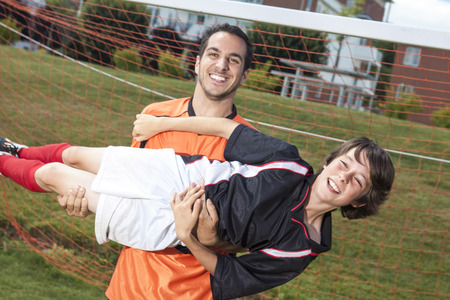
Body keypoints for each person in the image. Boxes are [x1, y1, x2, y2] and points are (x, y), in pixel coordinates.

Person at [0, 113, 395, 298]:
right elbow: (228, 130)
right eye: (344, 164)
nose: (343, 177)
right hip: (176, 174)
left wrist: (189, 236)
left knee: (56, 178)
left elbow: (233, 276)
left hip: (166, 226)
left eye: (357, 180)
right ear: (330, 161)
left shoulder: (301, 249)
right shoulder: (289, 163)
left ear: (360, 200)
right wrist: (160, 127)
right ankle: (18, 149)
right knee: (73, 158)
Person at [73, 23, 256, 300]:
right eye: (213, 54)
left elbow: (245, 238)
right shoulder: (154, 117)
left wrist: (198, 233)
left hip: (196, 293)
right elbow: (125, 190)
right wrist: (87, 203)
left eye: (234, 60)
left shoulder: (251, 145)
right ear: (196, 62)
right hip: (129, 286)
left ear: (244, 76)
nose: (221, 65)